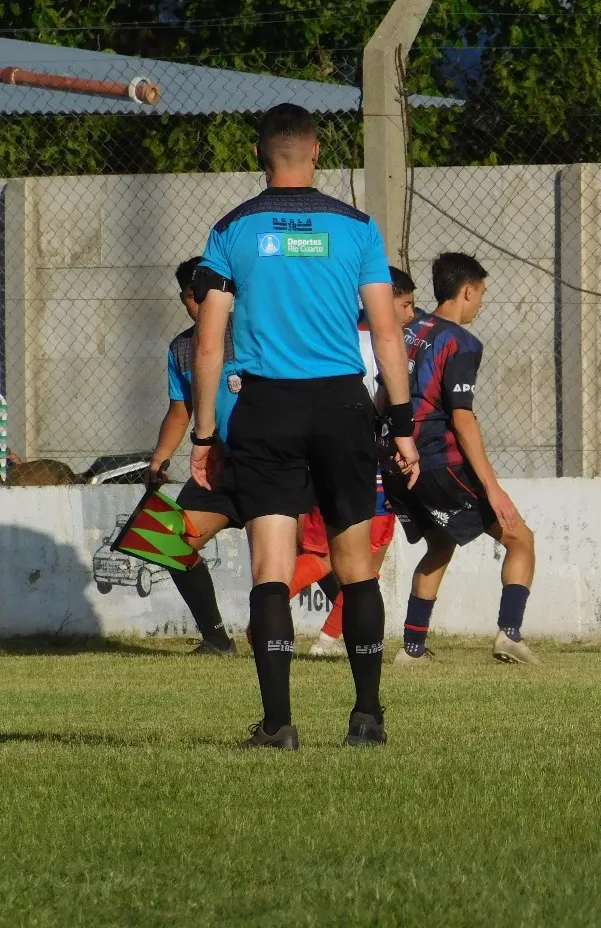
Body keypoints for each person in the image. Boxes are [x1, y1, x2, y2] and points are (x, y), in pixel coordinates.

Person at [190, 103, 419, 750]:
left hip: (266, 409)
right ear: (316, 154)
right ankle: (367, 716)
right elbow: (386, 331)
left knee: (270, 566)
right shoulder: (357, 228)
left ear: (261, 157)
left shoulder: (232, 230)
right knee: (355, 564)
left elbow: (209, 346)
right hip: (342, 407)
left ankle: (278, 724)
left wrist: (204, 437)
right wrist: (400, 424)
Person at [381, 252, 539, 667]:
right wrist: (493, 488)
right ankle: (510, 634)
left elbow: (384, 392)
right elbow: (462, 417)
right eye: (481, 294)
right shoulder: (461, 342)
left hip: (397, 460)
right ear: (467, 291)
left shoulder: (405, 327)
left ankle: (413, 649)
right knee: (520, 539)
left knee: (440, 544)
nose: (481, 304)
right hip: (438, 462)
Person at [289, 265, 421, 657]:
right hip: (368, 455)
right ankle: (320, 635)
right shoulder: (388, 343)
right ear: (382, 299)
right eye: (406, 304)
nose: (411, 314)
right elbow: (385, 400)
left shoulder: (330, 335)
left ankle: (309, 629)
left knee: (324, 550)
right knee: (365, 555)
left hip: (319, 449)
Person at [145, 257, 243, 655]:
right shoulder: (182, 348)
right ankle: (217, 639)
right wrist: (160, 458)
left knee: (314, 553)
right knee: (167, 540)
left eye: (208, 294)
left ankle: (350, 632)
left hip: (269, 464)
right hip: (215, 471)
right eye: (192, 296)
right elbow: (180, 410)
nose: (200, 303)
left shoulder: (256, 334)